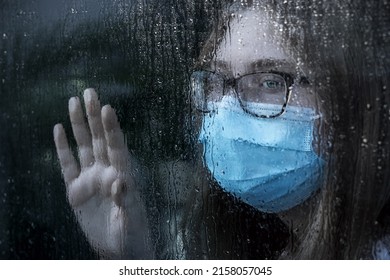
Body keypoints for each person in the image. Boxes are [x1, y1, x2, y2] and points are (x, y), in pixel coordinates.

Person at [54, 0, 390, 259]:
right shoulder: (262, 250)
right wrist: (130, 259)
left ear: (346, 101)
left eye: (271, 81)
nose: (227, 108)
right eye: (216, 80)